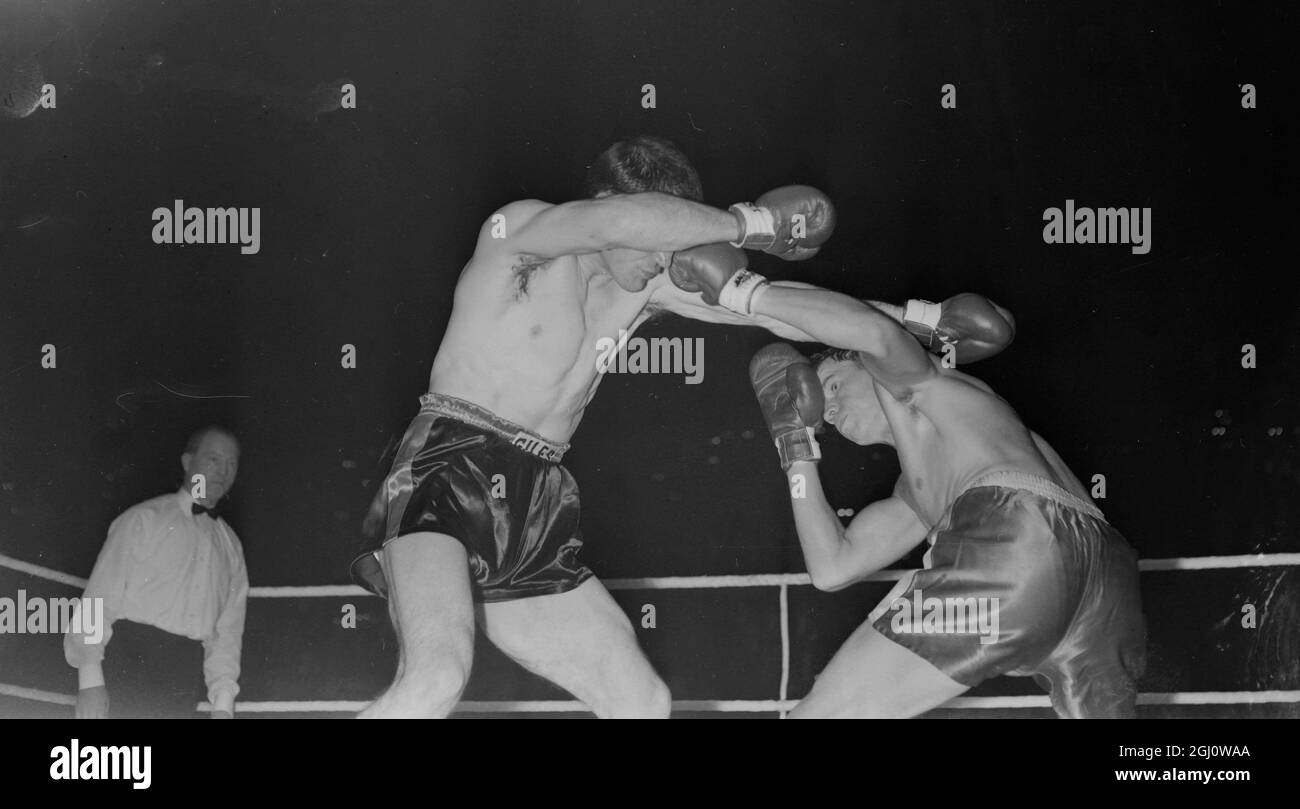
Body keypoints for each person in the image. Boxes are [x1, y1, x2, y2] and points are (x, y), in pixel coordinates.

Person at [349, 135, 961, 718]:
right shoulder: (522, 237)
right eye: (658, 245)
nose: (662, 265)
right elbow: (616, 224)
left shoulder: (641, 289)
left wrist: (919, 321)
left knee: (642, 703)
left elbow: (785, 310)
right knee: (436, 678)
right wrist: (751, 224)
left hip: (536, 495)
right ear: (618, 206)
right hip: (449, 465)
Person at [740, 283, 1145, 718]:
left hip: (1015, 540)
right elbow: (832, 568)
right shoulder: (925, 490)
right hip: (1108, 586)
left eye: (834, 385)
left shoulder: (925, 388)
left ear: (867, 365)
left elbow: (873, 333)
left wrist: (745, 294)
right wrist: (794, 443)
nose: (829, 408)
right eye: (822, 410)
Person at [66, 425, 248, 719]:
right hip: (124, 666)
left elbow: (227, 634)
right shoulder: (142, 520)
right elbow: (97, 600)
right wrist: (90, 683)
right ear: (188, 462)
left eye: (231, 463)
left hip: (182, 681)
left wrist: (223, 708)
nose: (222, 471)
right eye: (213, 459)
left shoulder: (231, 548)